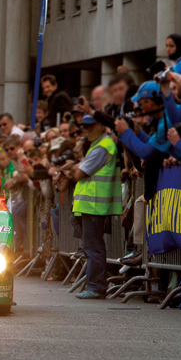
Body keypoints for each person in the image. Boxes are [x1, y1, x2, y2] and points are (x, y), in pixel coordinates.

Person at [68, 115, 122, 299]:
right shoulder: (99, 144)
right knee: (92, 246)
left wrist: (74, 168)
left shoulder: (102, 146)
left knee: (93, 248)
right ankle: (95, 285)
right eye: (83, 126)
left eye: (90, 126)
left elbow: (79, 173)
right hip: (91, 204)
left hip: (93, 205)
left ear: (101, 125)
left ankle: (96, 287)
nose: (86, 129)